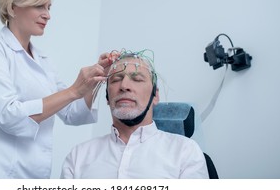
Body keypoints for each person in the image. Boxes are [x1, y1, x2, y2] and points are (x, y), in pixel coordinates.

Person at [0, 0, 112, 179]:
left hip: (32, 174)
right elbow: (7, 114)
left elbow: (72, 114)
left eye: (48, 7)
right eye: (39, 5)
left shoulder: (43, 60)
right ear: (12, 7)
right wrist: (74, 90)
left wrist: (95, 79)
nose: (48, 14)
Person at [61, 49, 209, 179]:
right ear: (107, 96)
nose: (124, 86)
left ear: (155, 96)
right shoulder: (78, 157)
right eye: (116, 80)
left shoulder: (185, 152)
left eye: (137, 79)